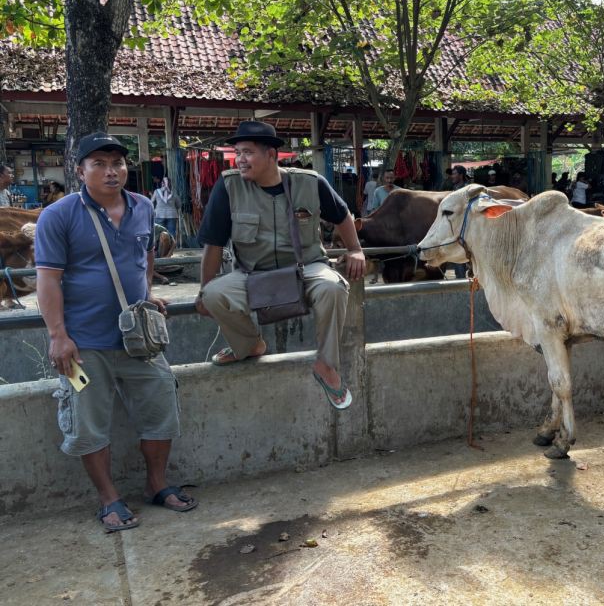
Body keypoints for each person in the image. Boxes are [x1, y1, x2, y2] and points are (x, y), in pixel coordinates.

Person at [33, 132, 193, 533]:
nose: (111, 171)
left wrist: (149, 293)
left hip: (139, 338)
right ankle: (109, 498)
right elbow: (48, 280)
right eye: (100, 164)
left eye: (118, 163)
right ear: (80, 169)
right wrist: (57, 334)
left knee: (161, 410)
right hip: (83, 342)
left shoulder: (141, 206)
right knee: (88, 424)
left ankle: (157, 484)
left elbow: (146, 253)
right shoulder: (59, 215)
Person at [195, 121, 366, 409]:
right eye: (237, 153)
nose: (240, 160)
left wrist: (356, 250)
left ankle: (326, 365)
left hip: (307, 266)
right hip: (252, 272)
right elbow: (213, 245)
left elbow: (342, 215)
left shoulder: (310, 182)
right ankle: (250, 345)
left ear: (271, 154)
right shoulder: (228, 187)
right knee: (213, 295)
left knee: (333, 286)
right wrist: (202, 290)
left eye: (247, 152)